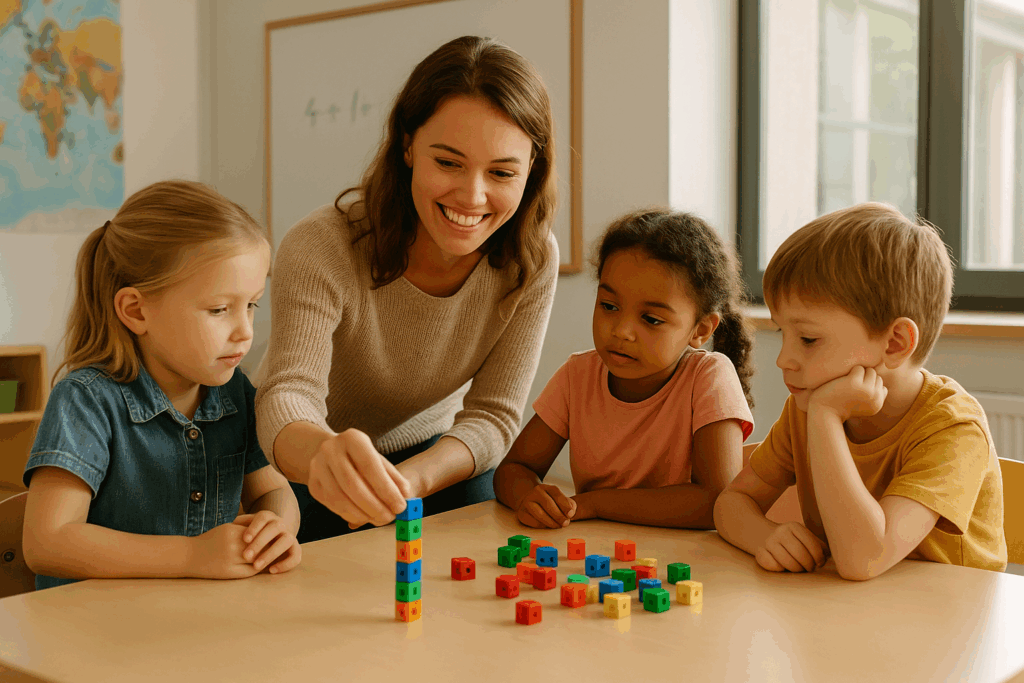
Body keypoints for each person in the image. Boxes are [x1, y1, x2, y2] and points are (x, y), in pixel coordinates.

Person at [255, 35, 560, 543]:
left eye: (502, 172)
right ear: (407, 145)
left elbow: (493, 416)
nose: (473, 195)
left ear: (532, 170)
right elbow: (287, 394)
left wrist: (410, 481)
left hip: (432, 457)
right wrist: (325, 457)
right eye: (448, 162)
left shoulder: (532, 257)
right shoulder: (321, 244)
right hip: (303, 458)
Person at [22, 180, 301, 590]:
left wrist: (276, 528)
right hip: (92, 634)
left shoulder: (234, 391)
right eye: (220, 309)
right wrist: (192, 555)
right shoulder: (86, 400)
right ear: (136, 311)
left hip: (188, 626)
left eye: (252, 304)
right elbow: (47, 542)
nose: (245, 331)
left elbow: (272, 490)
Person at [714, 203, 1007, 580]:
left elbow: (863, 559)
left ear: (895, 343)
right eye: (781, 333)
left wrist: (825, 417)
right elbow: (732, 502)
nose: (784, 359)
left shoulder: (952, 429)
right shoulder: (806, 409)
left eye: (808, 338)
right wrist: (763, 536)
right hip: (849, 616)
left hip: (947, 626)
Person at [493, 208, 754, 529]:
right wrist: (529, 496)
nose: (621, 331)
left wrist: (597, 502)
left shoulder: (708, 376)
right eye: (609, 306)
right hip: (598, 556)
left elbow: (715, 500)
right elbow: (513, 468)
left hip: (688, 564)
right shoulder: (578, 375)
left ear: (700, 330)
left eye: (651, 319)